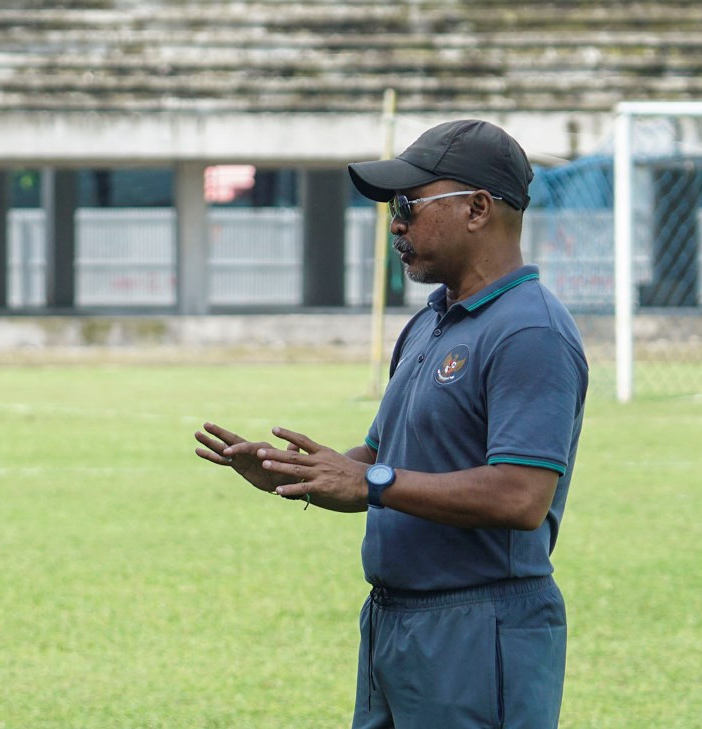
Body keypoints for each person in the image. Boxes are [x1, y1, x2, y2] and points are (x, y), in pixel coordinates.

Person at [194, 119, 588, 729]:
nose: (395, 224)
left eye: (408, 204)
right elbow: (381, 459)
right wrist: (295, 473)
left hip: (478, 629)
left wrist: (370, 482)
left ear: (477, 209)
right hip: (393, 622)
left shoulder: (530, 330)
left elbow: (520, 496)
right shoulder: (430, 322)